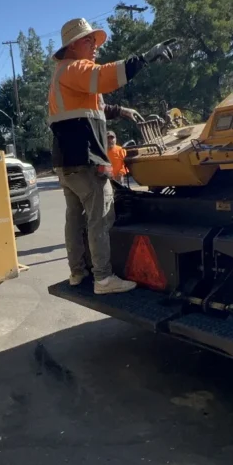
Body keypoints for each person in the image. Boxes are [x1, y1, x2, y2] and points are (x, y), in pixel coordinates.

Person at [48, 17, 176, 294]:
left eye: (94, 41)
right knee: (100, 217)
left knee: (75, 217)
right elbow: (104, 77)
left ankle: (77, 273)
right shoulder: (77, 67)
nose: (94, 46)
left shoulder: (63, 75)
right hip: (85, 159)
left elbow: (93, 102)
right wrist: (145, 57)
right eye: (87, 40)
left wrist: (121, 111)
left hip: (65, 162)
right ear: (71, 47)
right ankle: (104, 278)